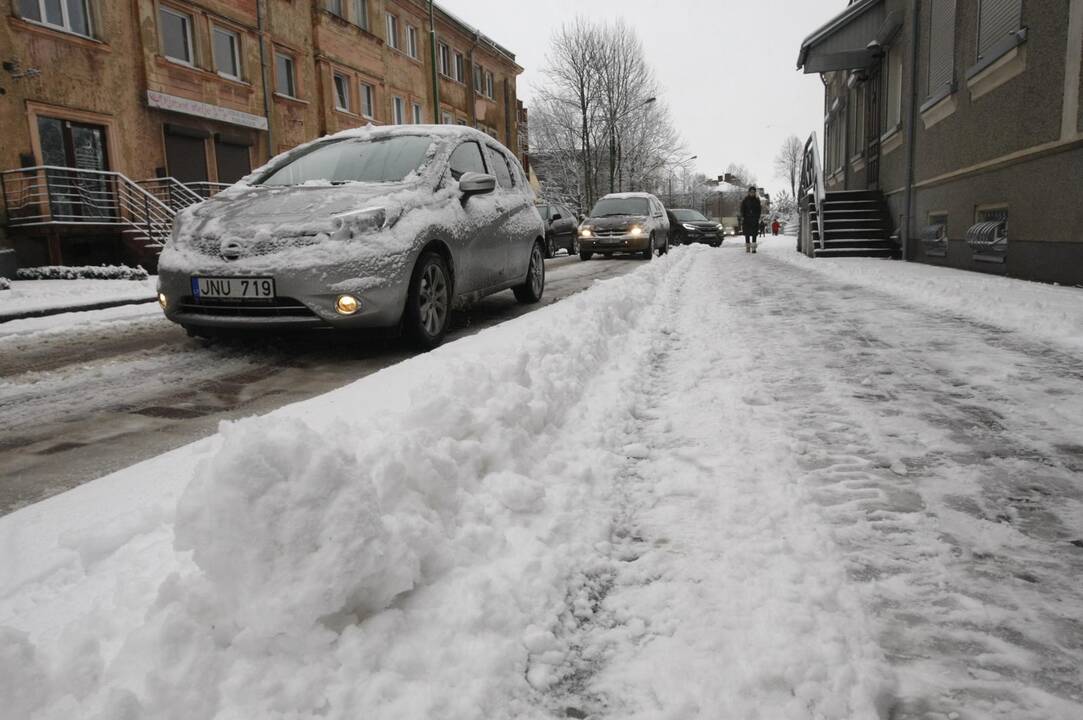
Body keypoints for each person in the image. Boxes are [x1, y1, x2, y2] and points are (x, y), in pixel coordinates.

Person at [740, 186, 762, 253]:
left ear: (755, 193)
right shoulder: (745, 200)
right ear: (749, 192)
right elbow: (742, 209)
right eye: (751, 192)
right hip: (747, 220)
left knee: (754, 234)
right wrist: (743, 217)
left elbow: (759, 210)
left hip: (754, 220)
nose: (752, 193)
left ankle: (754, 248)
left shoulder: (757, 200)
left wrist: (757, 217)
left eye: (753, 192)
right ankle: (748, 247)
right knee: (747, 234)